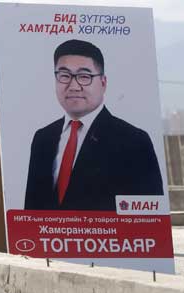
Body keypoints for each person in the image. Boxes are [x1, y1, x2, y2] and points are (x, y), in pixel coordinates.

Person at [24, 39, 163, 211]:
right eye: (64, 76)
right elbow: (31, 210)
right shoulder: (43, 138)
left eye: (84, 76)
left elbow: (149, 215)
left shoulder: (133, 140)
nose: (73, 86)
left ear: (103, 83)